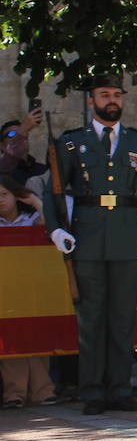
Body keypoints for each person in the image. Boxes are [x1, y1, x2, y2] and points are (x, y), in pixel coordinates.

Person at [42, 75, 137, 416]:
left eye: (116, 95)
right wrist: (54, 229)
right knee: (91, 318)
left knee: (122, 317)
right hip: (87, 236)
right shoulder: (71, 143)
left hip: (126, 236)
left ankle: (121, 388)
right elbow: (52, 190)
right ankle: (93, 391)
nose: (112, 100)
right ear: (90, 101)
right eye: (104, 95)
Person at [0, 175, 57, 409]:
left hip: (33, 289)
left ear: (16, 195)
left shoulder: (30, 220)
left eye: (4, 194)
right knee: (11, 341)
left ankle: (44, 391)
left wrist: (35, 201)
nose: (0, 200)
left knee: (37, 339)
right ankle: (14, 393)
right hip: (5, 291)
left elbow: (48, 225)